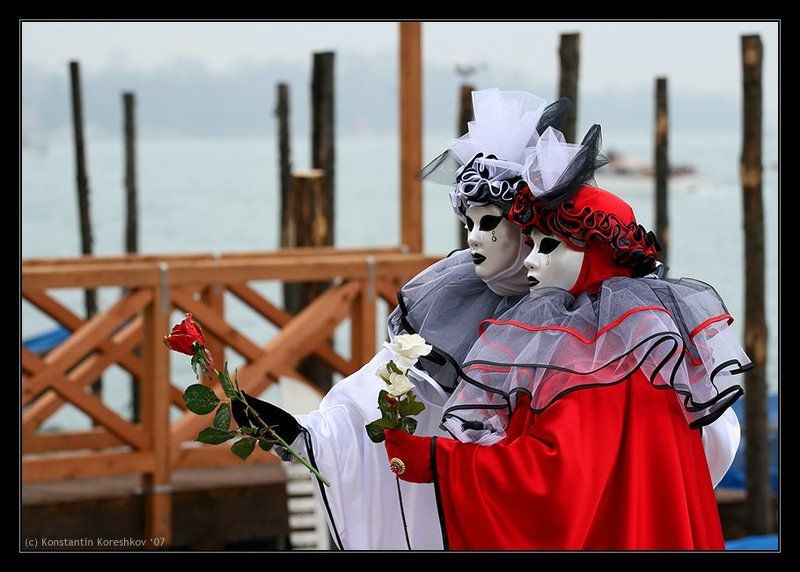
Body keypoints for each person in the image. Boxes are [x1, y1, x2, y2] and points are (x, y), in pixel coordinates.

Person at [235, 89, 572, 549]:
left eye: (488, 222)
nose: (473, 238)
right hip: (456, 519)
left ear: (524, 225)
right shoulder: (448, 309)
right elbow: (374, 398)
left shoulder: (580, 320)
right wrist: (305, 434)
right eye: (467, 222)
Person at [382, 124, 748, 550]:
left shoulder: (589, 358)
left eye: (547, 246)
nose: (531, 263)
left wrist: (434, 460)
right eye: (531, 244)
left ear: (594, 251)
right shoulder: (653, 346)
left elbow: (553, 476)